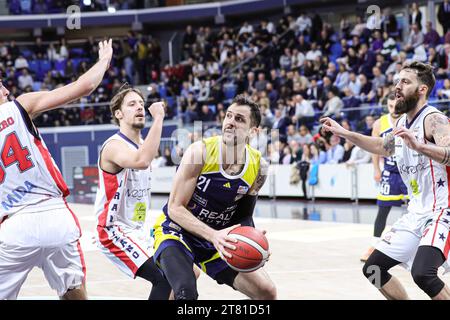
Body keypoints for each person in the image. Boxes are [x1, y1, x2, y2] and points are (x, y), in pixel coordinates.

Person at [321, 61, 450, 299]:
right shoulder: (401, 123)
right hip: (416, 212)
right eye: (397, 81)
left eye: (405, 81)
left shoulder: (434, 119)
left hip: (442, 211)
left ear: (422, 89)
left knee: (423, 274)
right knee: (373, 268)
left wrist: (419, 145)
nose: (397, 86)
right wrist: (344, 133)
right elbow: (382, 145)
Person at [0, 39, 113, 300]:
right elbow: (84, 86)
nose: (7, 91)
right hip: (54, 215)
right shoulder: (20, 105)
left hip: (15, 227)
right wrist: (104, 60)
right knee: (74, 292)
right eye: (1, 86)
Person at [152, 94, 277, 300]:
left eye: (239, 119)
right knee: (186, 291)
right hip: (177, 231)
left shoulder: (259, 167)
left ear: (253, 132)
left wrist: (254, 241)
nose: (230, 123)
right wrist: (213, 235)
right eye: (228, 116)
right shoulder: (199, 152)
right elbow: (175, 208)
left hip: (219, 239)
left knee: (267, 292)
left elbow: (244, 216)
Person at [93, 87, 173, 300]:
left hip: (139, 227)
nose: (139, 106)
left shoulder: (142, 144)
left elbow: (145, 154)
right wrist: (159, 118)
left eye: (141, 103)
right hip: (113, 230)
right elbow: (141, 160)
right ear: (118, 114)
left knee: (186, 272)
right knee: (164, 278)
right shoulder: (114, 146)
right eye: (131, 104)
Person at [360, 93, 408, 262]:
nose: (393, 109)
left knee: (415, 210)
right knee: (383, 209)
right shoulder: (380, 123)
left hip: (409, 171)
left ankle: (415, 246)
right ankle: (374, 244)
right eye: (390, 106)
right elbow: (374, 148)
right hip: (390, 171)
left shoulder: (410, 118)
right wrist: (376, 169)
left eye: (396, 105)